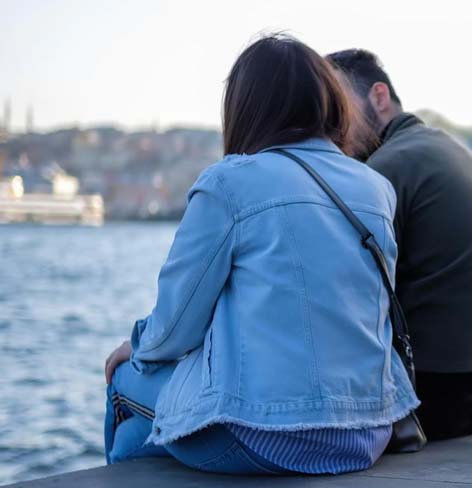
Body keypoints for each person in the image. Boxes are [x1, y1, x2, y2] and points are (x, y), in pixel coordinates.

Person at [102, 35, 420, 475]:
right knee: (140, 436)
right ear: (328, 101)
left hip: (265, 433)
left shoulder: (230, 183)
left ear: (245, 106)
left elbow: (175, 328)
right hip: (365, 433)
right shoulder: (375, 189)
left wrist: (135, 346)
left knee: (123, 383)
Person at [327, 49, 472, 440]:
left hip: (430, 400)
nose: (331, 126)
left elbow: (344, 297)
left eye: (339, 107)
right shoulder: (448, 150)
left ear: (379, 97)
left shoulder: (386, 169)